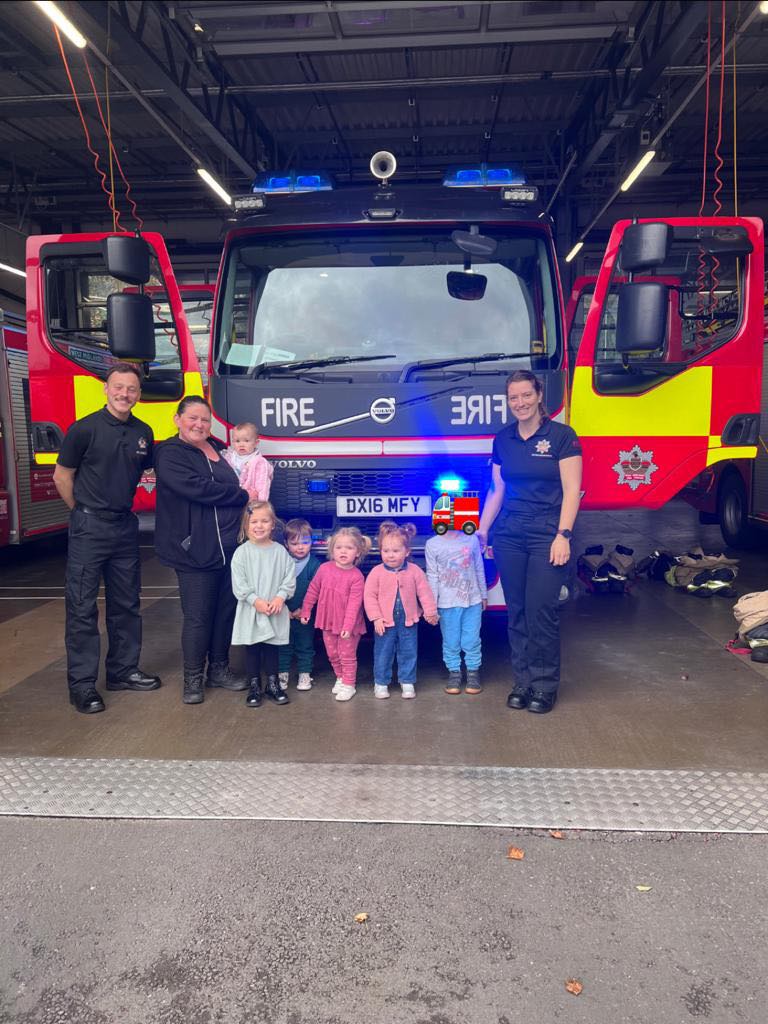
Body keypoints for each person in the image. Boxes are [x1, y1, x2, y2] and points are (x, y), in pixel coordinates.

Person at [53, 362, 160, 715]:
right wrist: (83, 512)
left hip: (124, 528)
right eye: (118, 387)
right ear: (106, 389)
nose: (124, 394)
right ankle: (82, 685)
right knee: (82, 608)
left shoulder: (144, 432)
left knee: (126, 604)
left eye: (131, 389)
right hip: (89, 528)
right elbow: (62, 476)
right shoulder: (83, 429)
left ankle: (123, 671)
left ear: (138, 395)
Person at [477, 370, 582, 714]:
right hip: (509, 535)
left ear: (539, 395)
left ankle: (545, 685)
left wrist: (563, 535)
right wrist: (482, 529)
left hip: (547, 535)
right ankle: (522, 681)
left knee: (542, 612)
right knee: (517, 611)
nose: (519, 403)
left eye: (525, 395)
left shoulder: (562, 437)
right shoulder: (503, 439)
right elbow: (497, 488)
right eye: (513, 398)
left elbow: (571, 492)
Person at [154, 396, 251, 705]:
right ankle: (192, 678)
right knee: (198, 616)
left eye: (205, 420)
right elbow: (196, 489)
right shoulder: (169, 453)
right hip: (194, 549)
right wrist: (239, 495)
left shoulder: (220, 449)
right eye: (192, 418)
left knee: (225, 612)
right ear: (177, 419)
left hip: (229, 547)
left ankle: (219, 670)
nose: (199, 424)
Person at [364, 522, 439, 700]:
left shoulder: (415, 571)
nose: (390, 555)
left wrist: (430, 612)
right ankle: (381, 683)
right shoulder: (376, 572)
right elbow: (369, 597)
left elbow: (425, 593)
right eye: (386, 551)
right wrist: (376, 618)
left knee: (408, 651)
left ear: (407, 552)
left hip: (409, 620)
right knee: (383, 652)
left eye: (396, 551)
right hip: (384, 622)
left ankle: (407, 681)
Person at [230, 501, 296, 708]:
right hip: (253, 610)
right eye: (254, 521)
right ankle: (254, 685)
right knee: (252, 648)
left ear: (272, 525)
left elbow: (289, 577)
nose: (259, 526)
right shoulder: (242, 553)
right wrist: (254, 600)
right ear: (246, 525)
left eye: (264, 521)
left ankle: (273, 684)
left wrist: (280, 597)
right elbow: (239, 582)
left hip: (274, 609)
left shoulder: (280, 552)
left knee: (272, 648)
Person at [301, 526, 371, 702]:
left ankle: (349, 684)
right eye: (339, 547)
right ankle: (340, 677)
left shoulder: (356, 577)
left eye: (349, 548)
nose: (343, 551)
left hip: (348, 624)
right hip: (328, 621)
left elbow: (355, 605)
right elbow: (313, 590)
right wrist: (306, 609)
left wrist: (347, 626)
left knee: (346, 655)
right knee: (332, 653)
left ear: (357, 552)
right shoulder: (324, 569)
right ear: (332, 550)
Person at [425, 526, 487, 695]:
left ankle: (473, 672)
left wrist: (483, 594)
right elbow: (432, 575)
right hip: (447, 603)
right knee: (451, 640)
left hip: (472, 601)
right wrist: (432, 604)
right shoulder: (432, 544)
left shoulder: (472, 539)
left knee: (472, 639)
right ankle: (454, 672)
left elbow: (479, 567)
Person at [278, 518, 321, 692]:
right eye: (294, 543)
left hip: (305, 614)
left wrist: (305, 610)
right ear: (286, 544)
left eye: (305, 542)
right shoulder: (281, 562)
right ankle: (282, 673)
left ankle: (304, 673)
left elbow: (318, 591)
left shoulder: (315, 565)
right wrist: (283, 609)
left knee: (305, 644)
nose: (300, 547)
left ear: (312, 542)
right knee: (283, 644)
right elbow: (275, 586)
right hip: (284, 612)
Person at [222, 421, 273, 502]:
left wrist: (261, 504)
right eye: (237, 441)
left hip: (251, 501)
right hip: (232, 500)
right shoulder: (228, 458)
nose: (241, 444)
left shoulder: (259, 463)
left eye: (246, 441)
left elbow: (263, 486)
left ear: (256, 443)